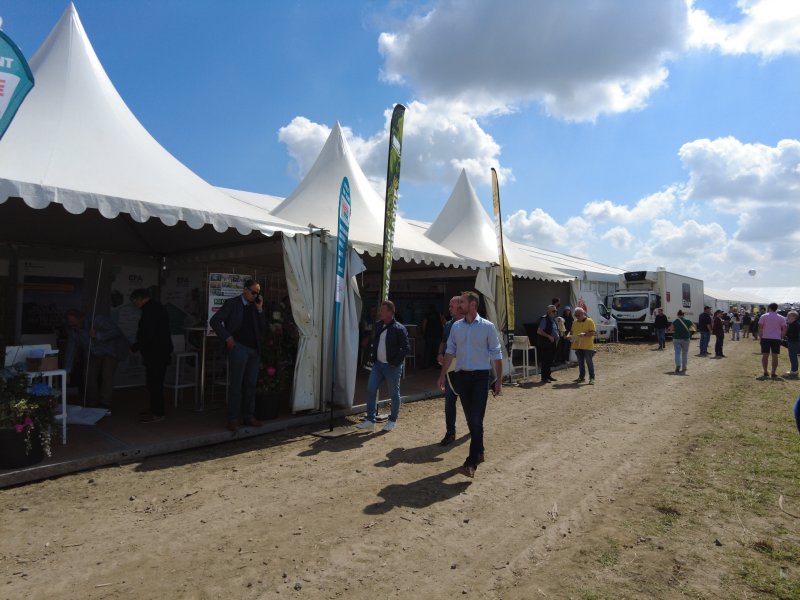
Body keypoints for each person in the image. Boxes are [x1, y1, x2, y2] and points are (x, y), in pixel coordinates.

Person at [437, 291, 502, 478]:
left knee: (475, 420)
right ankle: (480, 450)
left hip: (481, 378)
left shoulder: (488, 327)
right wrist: (442, 375)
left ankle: (470, 463)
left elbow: (496, 354)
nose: (459, 306)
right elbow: (449, 351)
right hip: (461, 378)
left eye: (462, 302)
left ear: (473, 304)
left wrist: (499, 381)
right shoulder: (456, 327)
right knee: (471, 419)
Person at [209, 279, 266, 432]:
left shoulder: (255, 306)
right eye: (253, 292)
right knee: (236, 384)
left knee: (251, 384)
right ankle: (232, 419)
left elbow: (263, 328)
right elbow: (215, 321)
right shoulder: (232, 303)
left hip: (254, 349)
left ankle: (248, 416)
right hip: (239, 347)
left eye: (258, 293)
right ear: (245, 290)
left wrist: (260, 310)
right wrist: (227, 337)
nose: (256, 296)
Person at [356, 300, 409, 432]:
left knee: (393, 394)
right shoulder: (379, 325)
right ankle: (370, 420)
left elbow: (405, 348)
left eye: (383, 310)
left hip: (392, 367)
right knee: (370, 389)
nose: (380, 313)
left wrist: (396, 362)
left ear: (391, 312)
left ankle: (392, 420)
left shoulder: (399, 328)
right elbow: (375, 341)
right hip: (378, 365)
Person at [64, 308, 128, 409]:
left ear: (81, 318)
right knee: (88, 375)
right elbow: (71, 349)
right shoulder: (72, 330)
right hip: (94, 352)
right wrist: (67, 369)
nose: (73, 327)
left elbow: (116, 331)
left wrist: (98, 335)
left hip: (110, 351)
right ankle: (92, 402)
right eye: (70, 324)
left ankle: (104, 403)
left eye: (74, 324)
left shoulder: (97, 320)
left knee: (106, 375)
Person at [129, 289, 173, 422]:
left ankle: (158, 413)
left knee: (155, 383)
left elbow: (148, 333)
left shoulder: (150, 310)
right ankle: (154, 409)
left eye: (134, 300)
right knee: (153, 382)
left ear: (140, 298)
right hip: (159, 351)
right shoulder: (156, 307)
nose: (134, 303)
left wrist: (135, 347)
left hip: (156, 353)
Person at [437, 295, 465, 446]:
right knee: (449, 402)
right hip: (449, 370)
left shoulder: (468, 325)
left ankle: (475, 428)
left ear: (460, 308)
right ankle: (450, 432)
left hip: (465, 370)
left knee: (470, 403)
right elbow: (443, 342)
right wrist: (440, 354)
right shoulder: (448, 324)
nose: (449, 309)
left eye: (451, 307)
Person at [758, 302, 787, 379]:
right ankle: (773, 372)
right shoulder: (781, 317)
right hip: (776, 338)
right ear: (776, 308)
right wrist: (781, 337)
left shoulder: (763, 316)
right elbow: (784, 329)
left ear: (769, 308)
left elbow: (760, 328)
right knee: (775, 356)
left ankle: (765, 371)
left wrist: (761, 337)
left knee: (765, 355)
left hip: (765, 338)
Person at [568, 307, 596, 384]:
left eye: (578, 315)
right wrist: (569, 336)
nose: (577, 317)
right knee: (580, 363)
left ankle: (592, 378)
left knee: (589, 362)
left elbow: (593, 333)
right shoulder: (575, 322)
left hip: (587, 346)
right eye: (575, 315)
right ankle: (581, 377)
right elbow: (572, 332)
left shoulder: (589, 321)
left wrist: (585, 334)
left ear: (583, 314)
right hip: (578, 346)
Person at [536, 305, 559, 383]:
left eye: (556, 311)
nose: (555, 312)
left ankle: (548, 376)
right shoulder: (544, 319)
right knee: (545, 361)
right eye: (553, 311)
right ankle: (544, 378)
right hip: (545, 344)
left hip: (552, 343)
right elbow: (539, 331)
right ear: (548, 311)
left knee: (550, 360)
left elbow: (554, 329)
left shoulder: (553, 319)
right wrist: (549, 337)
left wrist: (557, 336)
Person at [668, 309, 694, 374]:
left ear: (677, 315)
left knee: (677, 353)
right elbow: (694, 328)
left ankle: (678, 365)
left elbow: (670, 329)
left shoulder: (675, 321)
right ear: (683, 315)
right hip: (686, 338)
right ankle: (684, 367)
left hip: (676, 338)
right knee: (684, 353)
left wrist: (675, 330)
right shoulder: (688, 321)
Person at [421, 304, 445, 368]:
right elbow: (444, 324)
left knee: (427, 351)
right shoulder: (439, 314)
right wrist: (443, 334)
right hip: (438, 336)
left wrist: (424, 334)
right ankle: (438, 365)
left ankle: (426, 365)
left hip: (429, 336)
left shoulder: (427, 315)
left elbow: (424, 325)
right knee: (437, 351)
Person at [784, 310, 799, 379]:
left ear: (794, 316)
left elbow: (792, 334)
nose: (788, 317)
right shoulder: (793, 323)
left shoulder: (795, 324)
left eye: (789, 315)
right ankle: (794, 370)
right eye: (788, 315)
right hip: (793, 341)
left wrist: (787, 334)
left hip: (794, 342)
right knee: (793, 356)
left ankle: (794, 371)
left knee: (793, 356)